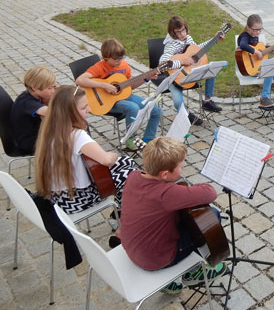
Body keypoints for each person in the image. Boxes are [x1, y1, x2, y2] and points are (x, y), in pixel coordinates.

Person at [120, 137, 227, 294]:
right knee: (211, 216)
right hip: (157, 259)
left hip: (133, 249)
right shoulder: (165, 195)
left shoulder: (134, 176)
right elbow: (210, 193)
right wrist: (193, 188)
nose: (183, 167)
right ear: (164, 174)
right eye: (181, 166)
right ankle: (193, 271)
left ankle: (169, 282)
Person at [34, 85, 136, 216]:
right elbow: (106, 160)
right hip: (77, 199)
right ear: (69, 112)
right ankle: (124, 215)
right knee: (131, 175)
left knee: (126, 161)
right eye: (83, 108)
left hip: (57, 197)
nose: (89, 109)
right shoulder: (75, 135)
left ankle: (121, 209)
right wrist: (113, 155)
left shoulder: (50, 129)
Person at [76, 38, 161, 150]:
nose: (120, 61)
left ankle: (147, 140)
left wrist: (146, 78)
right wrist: (105, 85)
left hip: (123, 97)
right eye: (116, 59)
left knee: (155, 109)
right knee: (133, 107)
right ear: (106, 57)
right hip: (106, 103)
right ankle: (130, 138)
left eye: (122, 57)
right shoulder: (100, 67)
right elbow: (80, 80)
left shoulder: (124, 66)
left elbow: (128, 87)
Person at [159, 15, 224, 126]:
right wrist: (182, 62)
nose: (183, 34)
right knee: (178, 101)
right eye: (178, 32)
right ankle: (187, 114)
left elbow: (197, 49)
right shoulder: (171, 44)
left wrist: (215, 40)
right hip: (175, 78)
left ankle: (207, 101)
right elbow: (163, 64)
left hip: (190, 73)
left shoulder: (187, 38)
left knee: (211, 71)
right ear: (173, 33)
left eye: (183, 30)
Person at [237, 14, 274, 114]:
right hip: (249, 69)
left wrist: (273, 46)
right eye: (255, 30)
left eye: (260, 29)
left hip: (258, 67)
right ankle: (264, 98)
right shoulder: (244, 36)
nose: (258, 32)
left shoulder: (255, 36)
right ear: (247, 27)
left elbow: (261, 48)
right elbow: (243, 45)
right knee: (270, 69)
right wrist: (255, 52)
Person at [10, 66, 57, 153]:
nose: (53, 91)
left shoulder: (29, 95)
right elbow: (51, 112)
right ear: (34, 87)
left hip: (35, 133)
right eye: (49, 88)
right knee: (68, 139)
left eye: (54, 87)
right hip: (29, 142)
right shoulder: (27, 102)